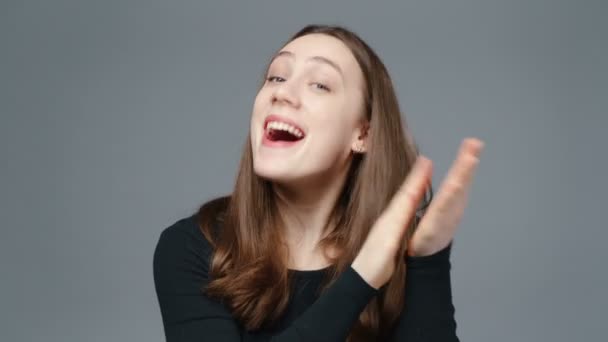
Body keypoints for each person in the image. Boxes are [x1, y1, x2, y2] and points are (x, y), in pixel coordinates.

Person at [153, 24, 484, 341]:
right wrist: (362, 278)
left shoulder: (401, 259)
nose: (282, 92)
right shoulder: (193, 247)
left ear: (363, 134)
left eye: (320, 85)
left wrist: (428, 260)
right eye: (276, 77)